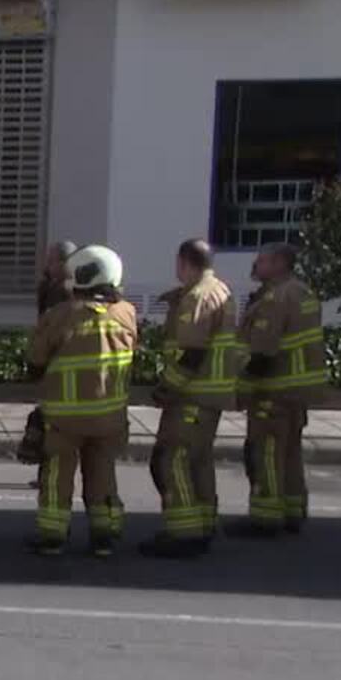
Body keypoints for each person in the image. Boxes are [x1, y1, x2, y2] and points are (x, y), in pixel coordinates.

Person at [27, 245, 138, 558]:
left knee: (57, 476)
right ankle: (105, 537)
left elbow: (35, 363)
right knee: (103, 474)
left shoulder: (60, 316)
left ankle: (53, 537)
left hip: (65, 419)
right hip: (110, 417)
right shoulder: (127, 313)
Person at [140, 239, 242, 559]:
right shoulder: (220, 290)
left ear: (184, 262)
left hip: (192, 395)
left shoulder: (198, 297)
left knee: (173, 459)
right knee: (198, 461)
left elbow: (192, 352)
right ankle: (203, 524)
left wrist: (166, 388)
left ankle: (184, 533)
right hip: (210, 395)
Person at [234, 241, 327, 537]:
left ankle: (266, 518)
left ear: (278, 265)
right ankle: (293, 510)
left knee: (267, 454)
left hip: (273, 391)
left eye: (261, 261)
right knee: (290, 454)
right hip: (298, 392)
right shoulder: (304, 292)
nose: (255, 265)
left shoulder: (274, 299)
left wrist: (241, 389)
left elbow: (262, 352)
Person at [17, 239, 79, 470]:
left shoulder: (64, 291)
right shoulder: (51, 286)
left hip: (56, 364)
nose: (47, 264)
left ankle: (49, 468)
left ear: (64, 263)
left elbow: (51, 328)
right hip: (50, 361)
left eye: (51, 260)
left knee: (50, 422)